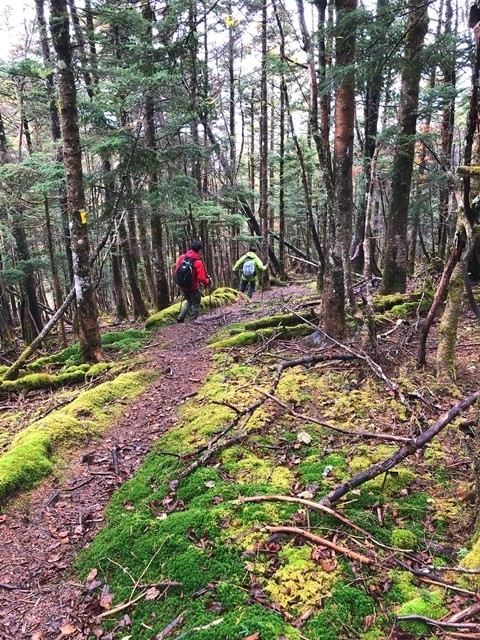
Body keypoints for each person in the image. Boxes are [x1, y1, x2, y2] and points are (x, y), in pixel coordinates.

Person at [175, 241, 211, 323]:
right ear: (199, 250)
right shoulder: (197, 262)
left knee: (189, 301)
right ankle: (192, 320)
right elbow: (201, 278)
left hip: (182, 285)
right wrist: (208, 281)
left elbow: (176, 270)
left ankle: (181, 317)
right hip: (192, 286)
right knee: (196, 303)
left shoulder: (182, 257)